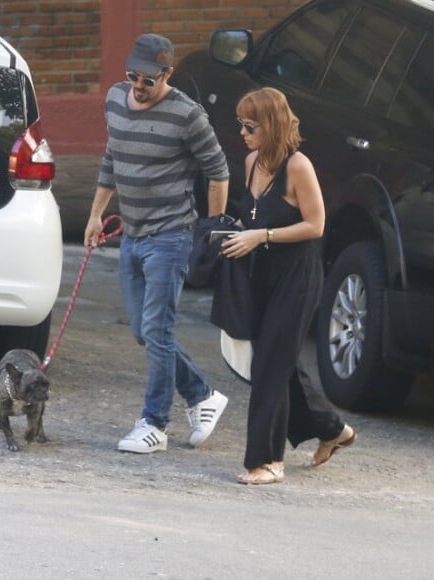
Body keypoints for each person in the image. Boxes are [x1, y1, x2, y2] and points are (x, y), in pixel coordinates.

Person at [84, 33, 230, 454]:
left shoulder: (188, 116)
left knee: (158, 330)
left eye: (148, 79)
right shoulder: (115, 99)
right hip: (131, 235)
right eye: (132, 76)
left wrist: (211, 230)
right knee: (142, 330)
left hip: (171, 237)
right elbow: (112, 158)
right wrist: (96, 214)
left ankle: (154, 424)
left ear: (167, 74)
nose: (138, 86)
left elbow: (218, 172)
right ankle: (202, 394)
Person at [220, 87, 356, 484]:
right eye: (240, 124)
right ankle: (333, 430)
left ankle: (266, 461)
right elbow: (253, 215)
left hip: (297, 275)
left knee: (269, 366)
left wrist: (260, 236)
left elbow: (316, 225)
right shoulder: (249, 162)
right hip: (260, 272)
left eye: (250, 125)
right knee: (280, 361)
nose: (242, 132)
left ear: (272, 126)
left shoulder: (298, 166)